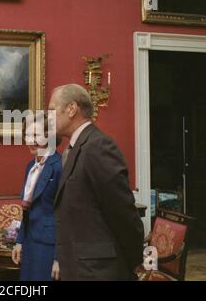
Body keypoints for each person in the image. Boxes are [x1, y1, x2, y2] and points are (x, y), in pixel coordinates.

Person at [48, 84, 144, 281]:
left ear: (72, 109)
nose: (48, 118)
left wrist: (132, 259)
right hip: (79, 268)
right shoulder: (75, 147)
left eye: (51, 110)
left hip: (98, 271)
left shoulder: (98, 146)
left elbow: (122, 213)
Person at [12, 114, 62, 281]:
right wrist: (20, 241)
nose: (30, 140)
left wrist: (59, 257)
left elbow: (65, 215)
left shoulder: (59, 166)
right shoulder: (30, 167)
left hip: (49, 245)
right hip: (30, 243)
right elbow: (28, 209)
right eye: (27, 135)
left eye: (36, 135)